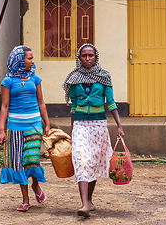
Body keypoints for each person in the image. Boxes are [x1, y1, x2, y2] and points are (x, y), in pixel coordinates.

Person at [62, 43, 124, 217]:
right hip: (81, 126)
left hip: (99, 126)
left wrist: (119, 125)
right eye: (84, 56)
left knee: (95, 162)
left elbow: (110, 103)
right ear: (79, 58)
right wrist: (72, 129)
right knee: (82, 160)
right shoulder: (73, 78)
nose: (87, 59)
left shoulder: (104, 76)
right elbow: (74, 106)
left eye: (90, 55)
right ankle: (84, 205)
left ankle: (89, 198)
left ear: (96, 57)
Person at [0, 45, 50, 212]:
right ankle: (26, 200)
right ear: (20, 60)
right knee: (19, 163)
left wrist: (47, 123)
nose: (32, 61)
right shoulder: (8, 81)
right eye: (29, 58)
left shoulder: (35, 79)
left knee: (32, 160)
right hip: (15, 128)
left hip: (34, 126)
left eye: (32, 58)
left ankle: (35, 185)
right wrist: (1, 129)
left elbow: (41, 102)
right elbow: (4, 106)